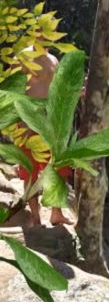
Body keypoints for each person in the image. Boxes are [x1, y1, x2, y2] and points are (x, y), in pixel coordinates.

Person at [1, 51, 71, 226]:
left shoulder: (53, 59)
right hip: (28, 123)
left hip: (51, 123)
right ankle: (35, 217)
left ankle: (56, 213)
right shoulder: (22, 57)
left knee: (58, 169)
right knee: (29, 172)